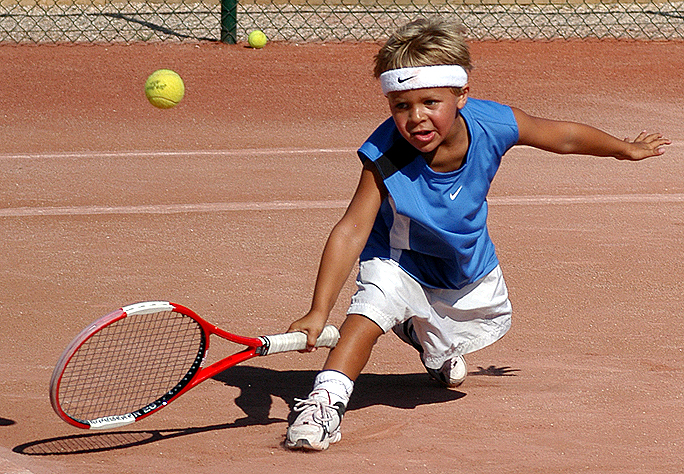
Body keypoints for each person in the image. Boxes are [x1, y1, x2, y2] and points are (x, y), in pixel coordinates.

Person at [283, 17, 670, 451]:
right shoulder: (386, 152)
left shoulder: (493, 123)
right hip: (399, 258)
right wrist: (318, 310)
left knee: (446, 342)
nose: (415, 117)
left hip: (465, 261)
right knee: (369, 311)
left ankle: (417, 332)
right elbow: (352, 229)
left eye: (431, 102)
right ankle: (324, 404)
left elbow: (561, 135)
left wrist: (624, 149)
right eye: (400, 105)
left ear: (462, 95)